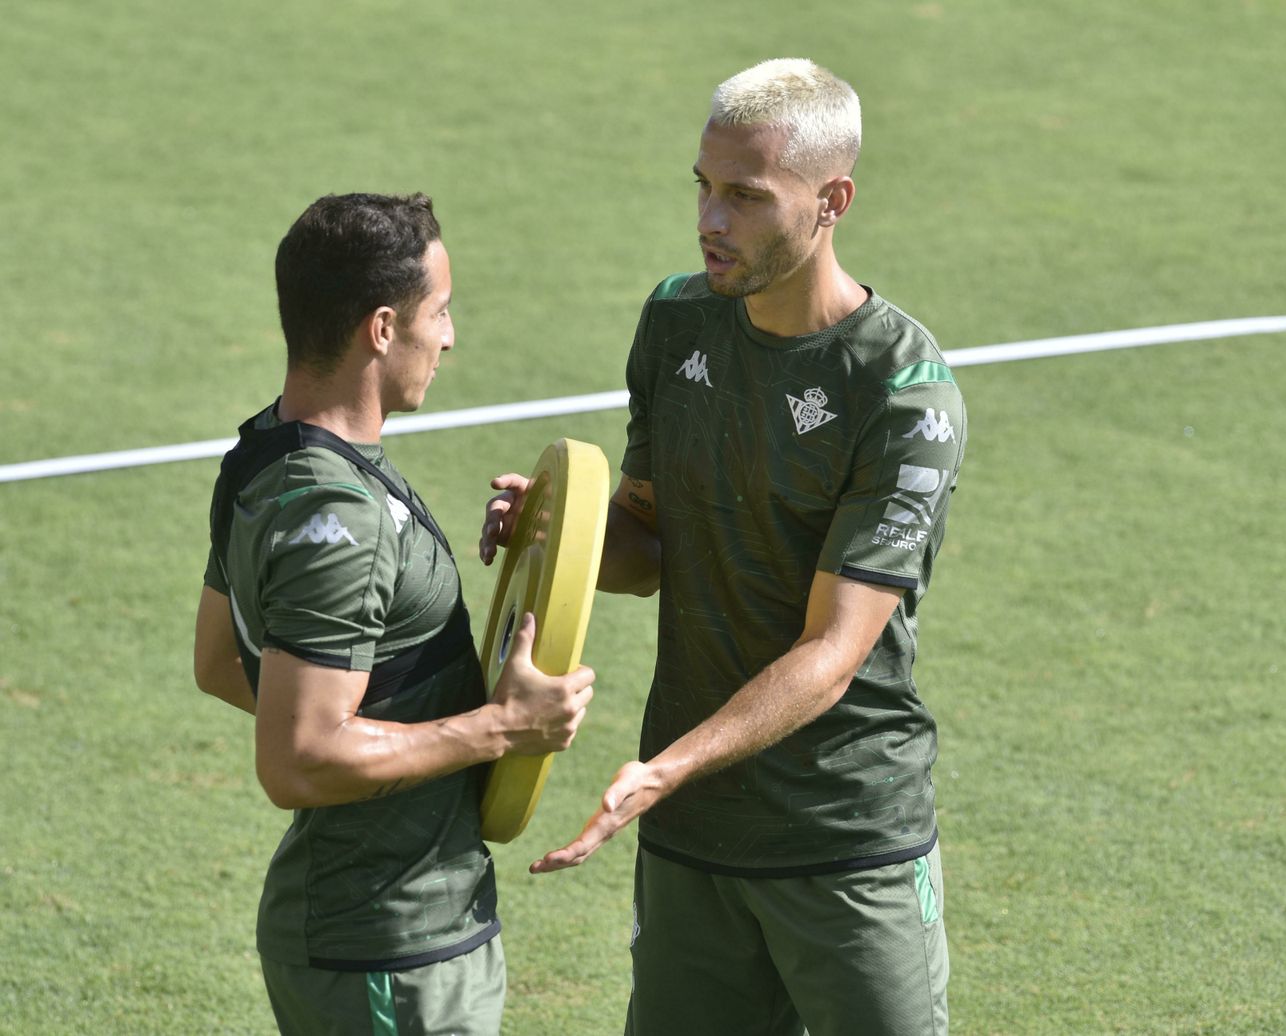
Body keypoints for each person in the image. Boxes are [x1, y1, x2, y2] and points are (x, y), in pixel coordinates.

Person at [482, 59, 965, 1036]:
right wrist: (560, 533)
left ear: (833, 201)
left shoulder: (902, 393)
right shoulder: (677, 319)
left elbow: (832, 654)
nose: (711, 219)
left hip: (843, 838)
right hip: (695, 837)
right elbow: (647, 541)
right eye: (703, 187)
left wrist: (666, 767)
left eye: (745, 196)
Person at [194, 192, 595, 1035]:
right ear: (382, 328)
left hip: (381, 927)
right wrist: (501, 727)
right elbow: (298, 758)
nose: (449, 336)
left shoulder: (263, 456)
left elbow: (223, 662)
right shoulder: (340, 524)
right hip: (387, 947)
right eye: (439, 313)